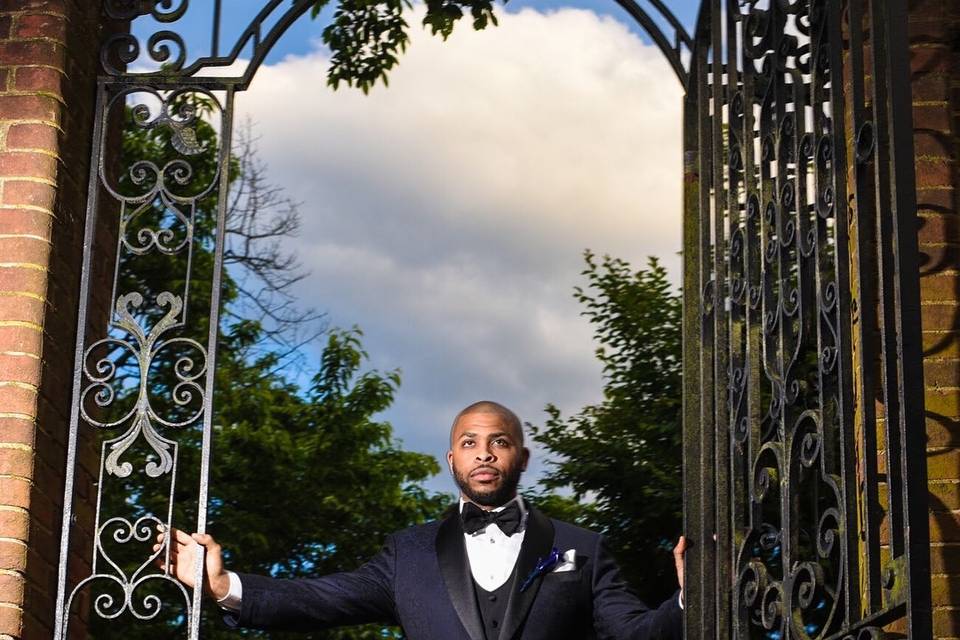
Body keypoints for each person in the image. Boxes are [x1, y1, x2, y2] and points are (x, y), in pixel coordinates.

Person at [158, 400, 686, 639]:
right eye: (469, 443)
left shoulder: (583, 548)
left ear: (520, 458)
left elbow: (635, 633)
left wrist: (689, 598)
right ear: (451, 459)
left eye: (499, 442)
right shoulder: (407, 553)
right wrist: (223, 585)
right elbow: (320, 599)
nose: (484, 454)